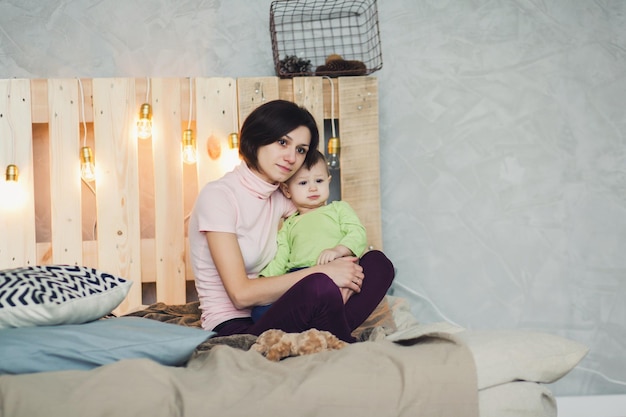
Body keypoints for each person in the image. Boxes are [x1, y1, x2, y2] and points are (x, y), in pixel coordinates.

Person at [188, 99, 395, 343]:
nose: (291, 157)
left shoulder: (280, 195)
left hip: (282, 307)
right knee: (319, 285)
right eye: (283, 142)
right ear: (257, 137)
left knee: (378, 264)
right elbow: (240, 295)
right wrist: (325, 272)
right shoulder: (219, 196)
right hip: (236, 326)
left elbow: (322, 223)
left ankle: (328, 333)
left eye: (301, 150)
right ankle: (336, 336)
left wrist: (341, 259)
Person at [251, 149, 368, 322]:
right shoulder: (290, 223)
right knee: (259, 313)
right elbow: (281, 257)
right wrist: (265, 280)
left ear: (328, 181)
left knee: (375, 265)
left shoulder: (338, 209)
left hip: (334, 274)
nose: (313, 187)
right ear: (287, 190)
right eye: (303, 183)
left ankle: (325, 313)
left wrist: (338, 250)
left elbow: (357, 232)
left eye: (319, 181)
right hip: (300, 278)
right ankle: (316, 317)